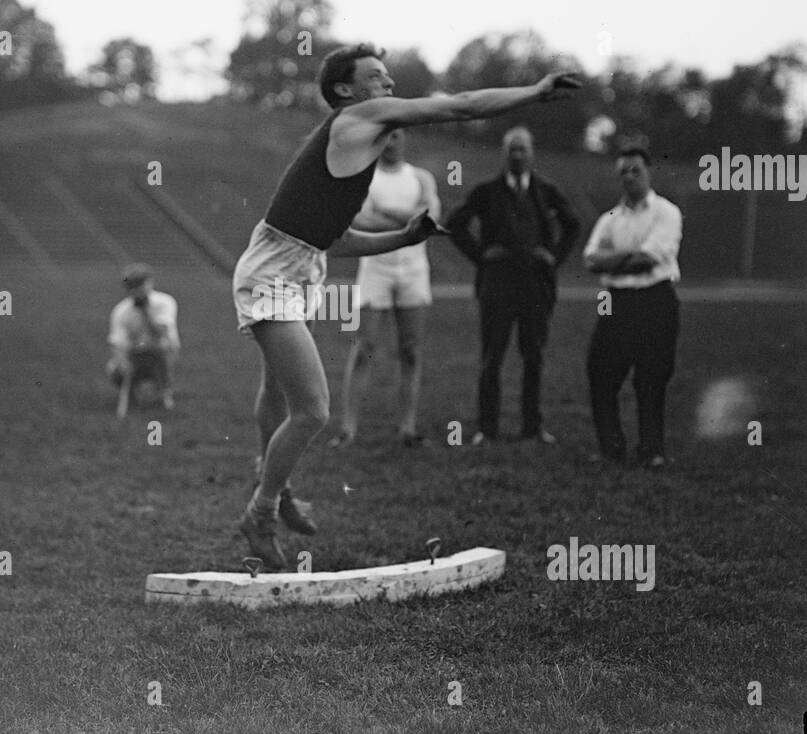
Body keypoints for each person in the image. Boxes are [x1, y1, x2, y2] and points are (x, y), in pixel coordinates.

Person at [231, 42, 580, 567]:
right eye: (378, 76)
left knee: (277, 393)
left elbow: (335, 238)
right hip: (277, 271)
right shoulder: (360, 117)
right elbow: (459, 105)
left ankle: (273, 493)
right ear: (347, 90)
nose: (390, 84)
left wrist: (404, 236)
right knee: (313, 409)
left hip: (292, 264)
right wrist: (533, 92)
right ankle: (260, 514)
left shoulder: (352, 144)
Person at [448, 125, 580, 446]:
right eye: (512, 149)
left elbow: (572, 225)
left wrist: (553, 257)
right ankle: (487, 428)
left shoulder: (546, 191)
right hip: (498, 285)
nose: (518, 155)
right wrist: (482, 256)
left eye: (523, 149)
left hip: (536, 285)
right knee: (492, 356)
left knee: (533, 355)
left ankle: (532, 427)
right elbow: (455, 224)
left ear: (531, 154)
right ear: (503, 154)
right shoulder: (487, 192)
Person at [329, 128, 440, 448]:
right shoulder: (366, 178)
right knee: (364, 347)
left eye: (396, 135)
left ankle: (407, 426)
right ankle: (348, 428)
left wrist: (387, 214)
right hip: (376, 268)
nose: (391, 142)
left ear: (404, 138)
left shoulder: (421, 178)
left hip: (414, 270)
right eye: (385, 137)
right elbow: (360, 222)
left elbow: (432, 218)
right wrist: (409, 222)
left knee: (410, 350)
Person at [582, 144, 683, 468]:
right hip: (614, 302)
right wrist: (625, 259)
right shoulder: (610, 217)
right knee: (600, 372)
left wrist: (612, 261)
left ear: (648, 171)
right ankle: (611, 448)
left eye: (635, 170)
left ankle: (651, 450)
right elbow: (590, 259)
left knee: (651, 378)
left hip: (655, 299)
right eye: (623, 172)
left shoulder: (666, 212)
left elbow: (647, 261)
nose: (628, 177)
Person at [107, 263, 180, 414]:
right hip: (135, 354)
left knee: (162, 353)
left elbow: (161, 333)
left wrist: (145, 311)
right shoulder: (121, 311)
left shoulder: (165, 302)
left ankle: (164, 394)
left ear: (149, 283)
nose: (137, 290)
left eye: (140, 285)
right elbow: (117, 342)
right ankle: (133, 394)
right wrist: (122, 361)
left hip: (161, 352)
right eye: (132, 286)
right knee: (114, 370)